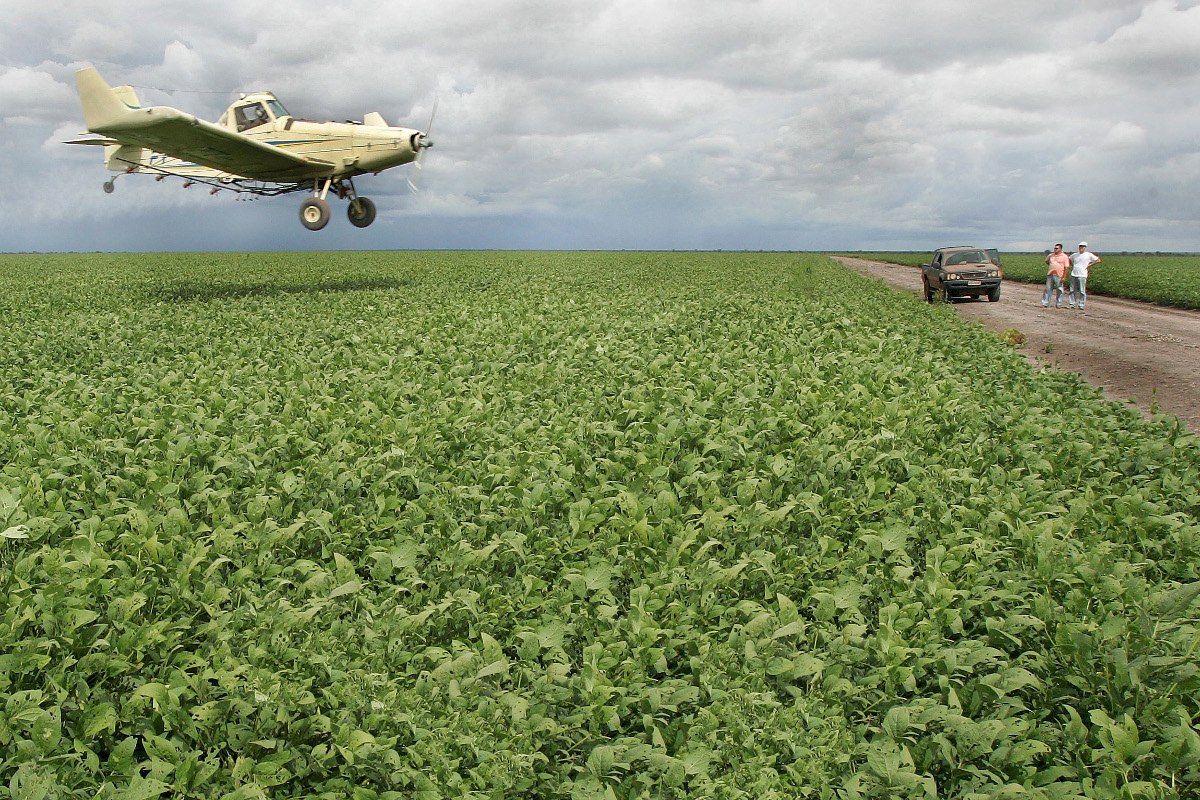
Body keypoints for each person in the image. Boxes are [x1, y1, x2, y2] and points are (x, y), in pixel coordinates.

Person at [1067, 242, 1101, 309]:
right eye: (1080, 246)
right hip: (1074, 274)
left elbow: (1098, 260)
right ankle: (1072, 304)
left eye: (1083, 246)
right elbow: (1069, 260)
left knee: (1082, 291)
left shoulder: (1088, 255)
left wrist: (1089, 265)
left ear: (1085, 247)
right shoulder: (1074, 255)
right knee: (1072, 290)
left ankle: (1081, 304)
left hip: (1082, 275)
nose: (1081, 247)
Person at [1043, 244, 1069, 308]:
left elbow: (1066, 267)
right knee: (1048, 289)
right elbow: (1046, 261)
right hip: (1050, 274)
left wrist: (1064, 277)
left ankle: (1059, 304)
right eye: (1055, 248)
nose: (1055, 249)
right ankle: (1045, 303)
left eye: (1057, 248)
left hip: (1059, 275)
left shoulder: (1064, 256)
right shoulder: (1051, 255)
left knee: (1059, 289)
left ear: (1061, 249)